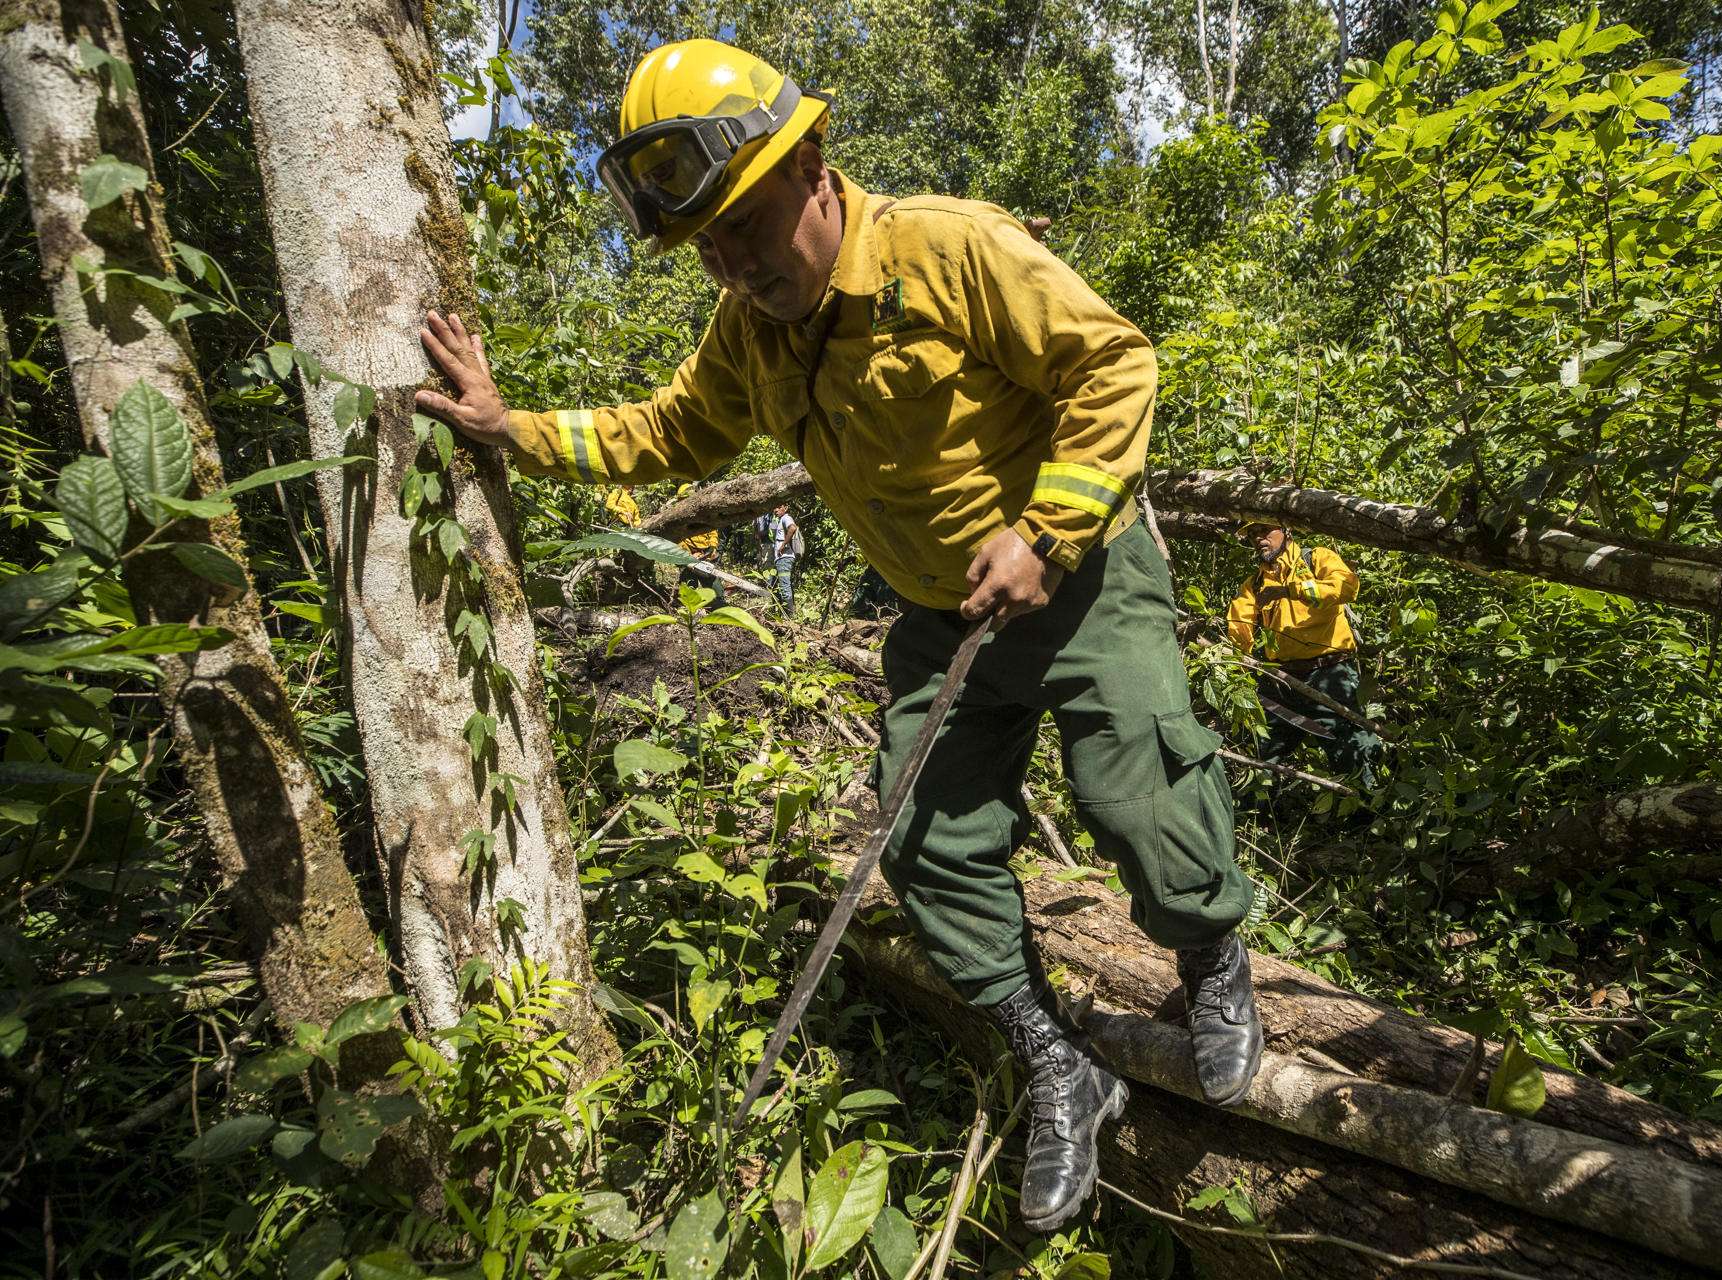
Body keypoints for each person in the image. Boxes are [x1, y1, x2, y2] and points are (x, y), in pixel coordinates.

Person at [413, 38, 1258, 1234]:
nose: (734, 263)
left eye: (746, 226)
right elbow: (667, 434)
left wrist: (1048, 527)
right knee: (923, 838)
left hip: (1079, 578)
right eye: (705, 245)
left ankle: (1213, 962)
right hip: (935, 613)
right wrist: (513, 426)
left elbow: (1112, 358)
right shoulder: (745, 335)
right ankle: (1061, 1063)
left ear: (811, 162)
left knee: (1134, 787)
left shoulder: (947, 248)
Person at [1227, 525, 1382, 789]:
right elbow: (1239, 624)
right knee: (1261, 754)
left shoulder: (1317, 558)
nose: (1259, 538)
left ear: (1286, 531)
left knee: (1355, 753)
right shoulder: (1255, 583)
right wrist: (1239, 663)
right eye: (1254, 534)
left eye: (1266, 531)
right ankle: (1259, 819)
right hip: (1280, 681)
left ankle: (1372, 817)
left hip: (1330, 674)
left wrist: (1292, 590)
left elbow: (1347, 587)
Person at [754, 502, 799, 610]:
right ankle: (783, 610)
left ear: (786, 507)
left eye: (779, 507)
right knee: (783, 584)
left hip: (784, 558)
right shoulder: (778, 520)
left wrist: (783, 544)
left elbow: (792, 528)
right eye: (775, 507)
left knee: (784, 585)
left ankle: (790, 615)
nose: (776, 510)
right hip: (780, 558)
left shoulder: (785, 518)